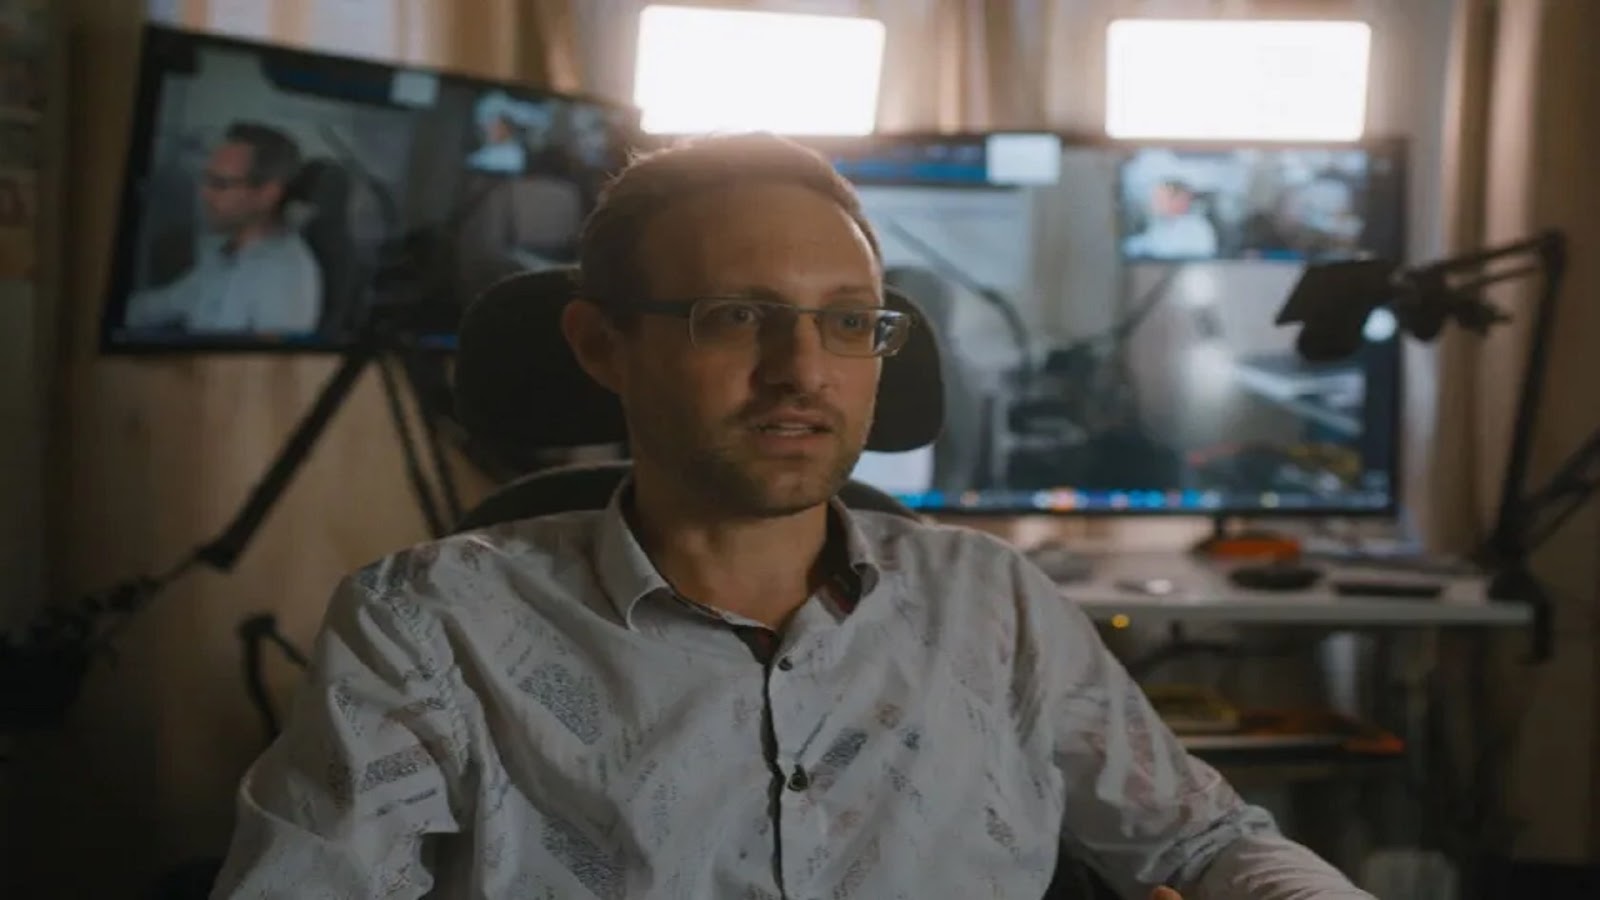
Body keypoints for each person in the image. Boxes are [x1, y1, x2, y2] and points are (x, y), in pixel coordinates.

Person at [211, 133, 1374, 899]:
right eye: (735, 316)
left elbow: (1207, 843)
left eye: (848, 321)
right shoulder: (431, 627)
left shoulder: (991, 601)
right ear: (601, 345)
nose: (802, 372)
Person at [124, 122, 323, 335]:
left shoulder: (285, 278)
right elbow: (165, 304)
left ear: (267, 194)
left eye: (220, 184)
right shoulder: (221, 251)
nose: (204, 194)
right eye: (206, 180)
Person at [1122, 178, 1220, 260]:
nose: (1155, 203)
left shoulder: (1198, 227)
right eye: (1156, 198)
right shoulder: (1159, 224)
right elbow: (1145, 244)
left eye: (1160, 199)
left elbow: (1164, 252)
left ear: (1177, 200)